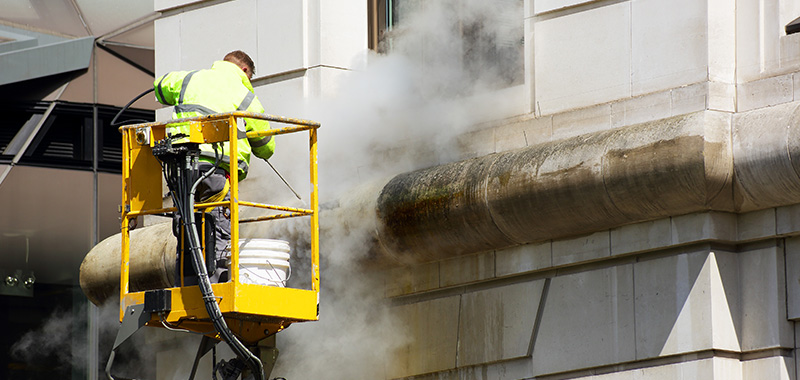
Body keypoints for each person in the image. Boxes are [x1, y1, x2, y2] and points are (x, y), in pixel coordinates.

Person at [153, 50, 276, 283]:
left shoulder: (189, 79)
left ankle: (187, 282)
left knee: (187, 224)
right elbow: (265, 145)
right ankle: (215, 284)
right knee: (217, 225)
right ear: (245, 71)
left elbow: (160, 87)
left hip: (181, 168)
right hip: (215, 171)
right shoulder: (244, 95)